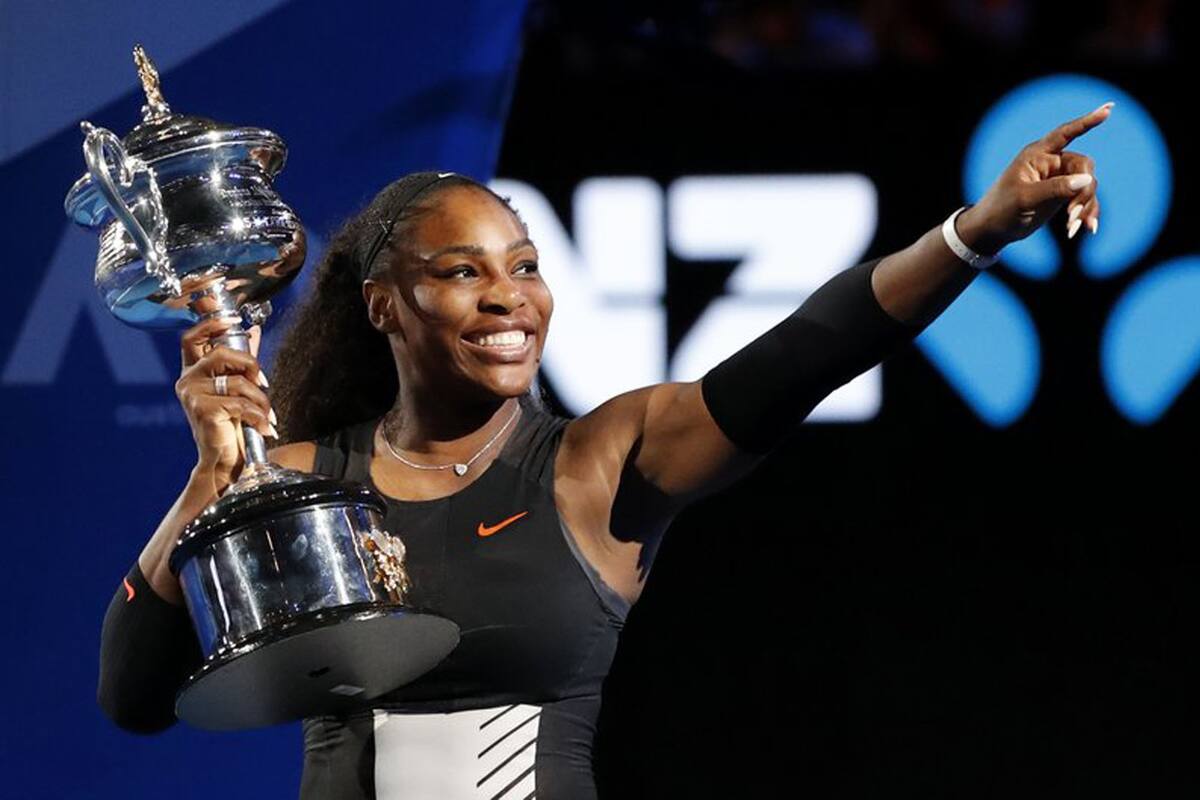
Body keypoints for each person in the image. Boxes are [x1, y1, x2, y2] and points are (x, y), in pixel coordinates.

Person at [98, 104, 1111, 799]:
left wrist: (975, 231)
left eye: (524, 267)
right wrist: (207, 490)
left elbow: (809, 352)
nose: (508, 298)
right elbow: (134, 698)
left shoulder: (599, 463)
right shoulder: (303, 479)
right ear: (383, 307)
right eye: (461, 272)